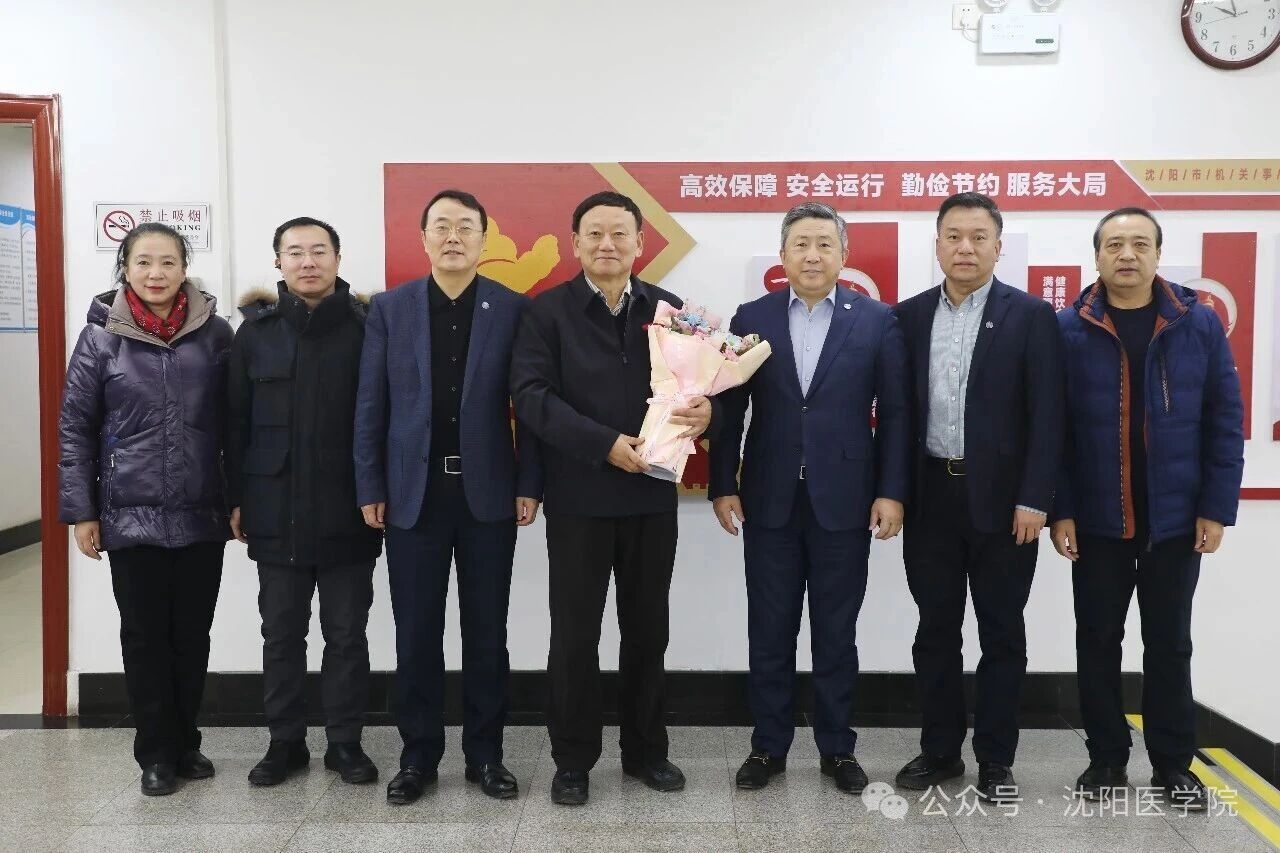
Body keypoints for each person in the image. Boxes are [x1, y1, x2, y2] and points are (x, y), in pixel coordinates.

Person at [510, 190, 718, 806]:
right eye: (594, 233)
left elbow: (698, 387)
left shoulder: (669, 311)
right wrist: (603, 444)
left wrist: (706, 412)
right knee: (575, 635)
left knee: (648, 630)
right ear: (575, 243)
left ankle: (646, 751)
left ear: (639, 243)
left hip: (652, 496)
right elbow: (531, 396)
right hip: (579, 496)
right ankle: (572, 760)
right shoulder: (546, 313)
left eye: (620, 233)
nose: (607, 244)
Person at [709, 202, 909, 794]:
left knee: (835, 632)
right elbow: (729, 408)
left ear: (844, 255)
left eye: (825, 244)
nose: (813, 255)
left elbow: (896, 415)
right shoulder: (752, 317)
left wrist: (891, 492)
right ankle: (768, 746)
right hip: (768, 498)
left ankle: (838, 748)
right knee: (769, 629)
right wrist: (722, 483)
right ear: (782, 255)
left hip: (845, 501)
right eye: (801, 244)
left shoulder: (877, 321)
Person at [1051, 207, 1244, 809]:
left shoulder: (1196, 323)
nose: (1127, 254)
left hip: (1175, 519)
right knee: (1097, 641)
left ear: (1158, 255)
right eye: (1114, 244)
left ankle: (1172, 765)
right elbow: (1053, 431)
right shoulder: (1069, 327)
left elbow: (1224, 420)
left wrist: (1215, 507)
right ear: (1097, 256)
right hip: (1097, 519)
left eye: (1139, 243)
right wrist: (1062, 509)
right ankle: (1106, 759)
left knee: (1170, 644)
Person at [355, 189, 542, 805]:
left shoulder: (512, 308)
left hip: (489, 496)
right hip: (414, 495)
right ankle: (418, 756)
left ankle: (487, 755)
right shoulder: (391, 308)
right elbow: (371, 404)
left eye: (466, 227)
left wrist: (529, 484)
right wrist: (370, 484)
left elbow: (528, 405)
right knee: (416, 634)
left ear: (485, 239)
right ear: (424, 238)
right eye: (442, 226)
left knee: (487, 632)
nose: (453, 236)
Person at [890, 192, 1063, 802]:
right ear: (937, 244)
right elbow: (898, 415)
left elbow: (1048, 415)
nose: (965, 247)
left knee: (1002, 633)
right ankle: (940, 752)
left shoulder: (1031, 316)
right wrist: (894, 492)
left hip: (1008, 505)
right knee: (935, 629)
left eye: (978, 237)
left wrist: (1035, 498)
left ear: (998, 246)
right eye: (953, 236)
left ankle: (995, 758)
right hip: (930, 495)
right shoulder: (908, 317)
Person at [58, 223, 232, 796]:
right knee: (144, 637)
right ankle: (155, 752)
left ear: (184, 268)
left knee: (193, 636)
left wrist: (238, 500)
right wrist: (82, 511)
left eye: (167, 262)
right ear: (125, 269)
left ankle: (187, 742)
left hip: (201, 512)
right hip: (128, 515)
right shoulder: (99, 338)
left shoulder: (216, 334)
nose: (156, 273)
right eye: (143, 262)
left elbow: (236, 424)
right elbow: (76, 427)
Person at [227, 217, 383, 788]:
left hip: (350, 510)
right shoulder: (255, 333)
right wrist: (235, 498)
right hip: (274, 508)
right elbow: (235, 424)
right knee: (281, 635)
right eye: (295, 252)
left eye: (319, 251)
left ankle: (345, 743)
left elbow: (384, 420)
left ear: (339, 259)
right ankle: (285, 742)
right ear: (279, 262)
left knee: (346, 636)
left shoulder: (368, 329)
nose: (308, 261)